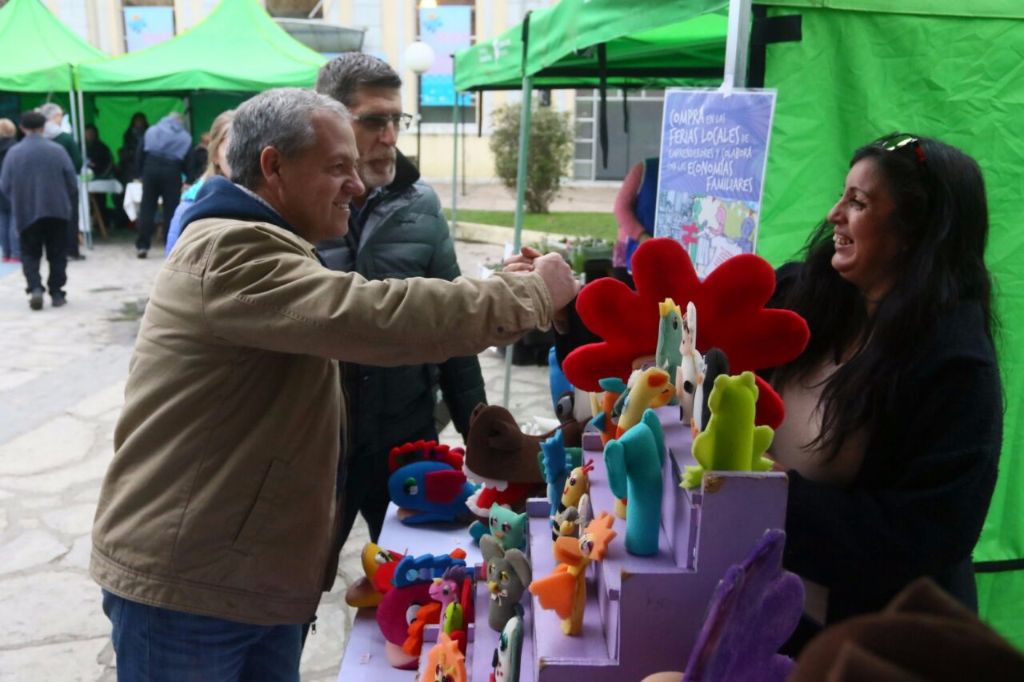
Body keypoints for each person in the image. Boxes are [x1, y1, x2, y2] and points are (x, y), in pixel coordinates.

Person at [90, 87, 578, 681]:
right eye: (338, 167)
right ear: (273, 167)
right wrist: (526, 295)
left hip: (243, 580)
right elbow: (373, 317)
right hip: (190, 590)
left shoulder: (270, 246)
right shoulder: (231, 250)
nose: (359, 184)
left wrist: (500, 287)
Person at [766, 133, 1002, 647]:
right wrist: (573, 302)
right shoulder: (809, 293)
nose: (834, 214)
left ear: (913, 233)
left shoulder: (955, 368)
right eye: (843, 195)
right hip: (771, 614)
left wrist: (769, 493)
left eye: (858, 202)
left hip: (866, 647)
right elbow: (699, 315)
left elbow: (920, 537)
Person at [314, 53, 488, 544]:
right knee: (297, 584)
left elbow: (454, 322)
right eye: (373, 121)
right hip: (319, 440)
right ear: (331, 122)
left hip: (405, 435)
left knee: (414, 577)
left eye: (396, 119)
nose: (389, 136)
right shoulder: (296, 207)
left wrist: (478, 429)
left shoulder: (421, 205)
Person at [0, 111, 77, 310]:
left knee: (30, 253)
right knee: (57, 253)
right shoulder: (58, 150)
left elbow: (5, 184)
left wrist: (18, 200)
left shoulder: (14, 153)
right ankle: (57, 292)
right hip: (57, 209)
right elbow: (71, 181)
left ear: (22, 128)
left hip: (27, 210)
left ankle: (35, 288)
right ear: (44, 127)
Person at [164, 109, 234, 255]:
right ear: (215, 155)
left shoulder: (268, 199)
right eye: (231, 150)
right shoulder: (191, 205)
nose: (240, 158)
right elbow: (173, 265)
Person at [134, 111, 191, 258]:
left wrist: (139, 173)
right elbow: (188, 160)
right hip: (172, 172)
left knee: (147, 207)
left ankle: (142, 245)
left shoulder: (151, 130)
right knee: (170, 210)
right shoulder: (185, 137)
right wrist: (189, 178)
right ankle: (169, 245)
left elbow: (140, 153)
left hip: (150, 169)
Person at [39, 103, 84, 260]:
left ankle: (52, 250)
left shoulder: (38, 139)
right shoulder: (66, 138)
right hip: (66, 184)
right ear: (55, 117)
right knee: (70, 217)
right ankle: (71, 249)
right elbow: (77, 162)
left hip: (43, 185)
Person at [612, 157, 658, 275]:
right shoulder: (644, 169)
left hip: (665, 256)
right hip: (631, 252)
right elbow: (621, 208)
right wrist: (642, 236)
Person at [0, 117, 18, 262]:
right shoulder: (15, 147)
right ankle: (16, 252)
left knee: (2, 219)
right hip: (13, 185)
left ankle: (5, 252)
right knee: (15, 218)